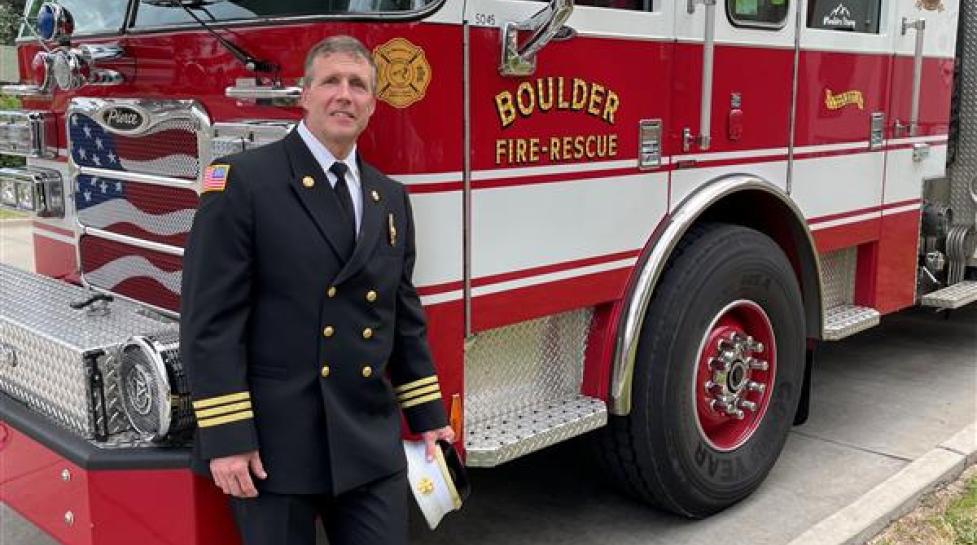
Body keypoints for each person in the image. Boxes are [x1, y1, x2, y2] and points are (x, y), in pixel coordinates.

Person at [180, 35, 455, 545]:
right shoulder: (242, 182)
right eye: (331, 81)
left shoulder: (389, 197)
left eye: (358, 85)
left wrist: (428, 417)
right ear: (304, 95)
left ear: (373, 104)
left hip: (368, 440)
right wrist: (226, 437)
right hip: (272, 449)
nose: (344, 95)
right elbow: (210, 321)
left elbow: (402, 316)